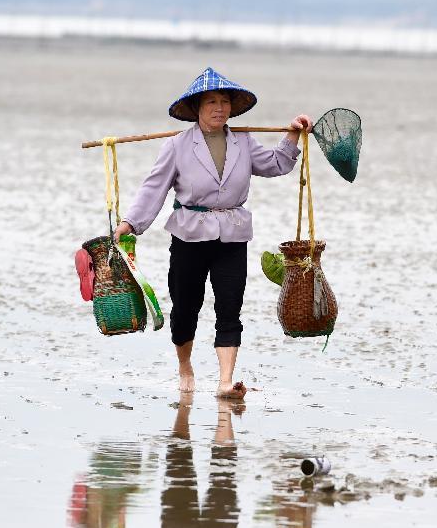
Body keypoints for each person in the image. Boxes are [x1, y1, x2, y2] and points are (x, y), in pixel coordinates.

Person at [114, 67, 309, 397]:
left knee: (230, 307)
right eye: (211, 102)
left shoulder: (243, 141)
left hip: (232, 234)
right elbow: (153, 189)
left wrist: (292, 134)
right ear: (197, 109)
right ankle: (185, 366)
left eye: (224, 101)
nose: (219, 108)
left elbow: (277, 164)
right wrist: (129, 224)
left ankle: (225, 382)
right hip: (189, 234)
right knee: (186, 306)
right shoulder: (177, 146)